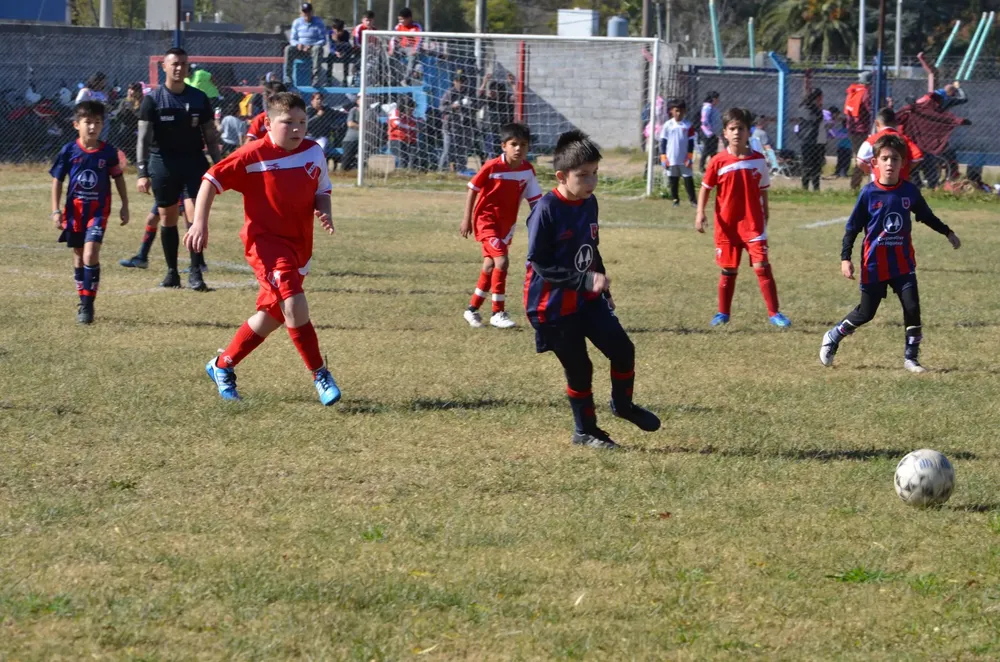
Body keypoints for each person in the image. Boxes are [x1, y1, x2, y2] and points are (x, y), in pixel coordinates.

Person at [185, 92, 341, 406]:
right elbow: (210, 179)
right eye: (288, 123)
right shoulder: (252, 155)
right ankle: (320, 373)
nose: (297, 129)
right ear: (268, 123)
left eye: (302, 122)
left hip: (299, 245)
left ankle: (222, 365)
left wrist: (325, 209)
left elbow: (322, 190)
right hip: (266, 244)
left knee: (272, 315)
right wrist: (199, 222)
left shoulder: (313, 152)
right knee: (295, 304)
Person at [524, 130, 660, 450]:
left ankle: (623, 406)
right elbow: (539, 263)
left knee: (623, 350)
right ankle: (585, 431)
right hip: (552, 307)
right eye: (582, 175)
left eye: (595, 173)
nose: (591, 182)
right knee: (580, 368)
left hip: (587, 299)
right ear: (561, 176)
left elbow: (590, 246)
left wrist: (599, 278)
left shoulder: (589, 202)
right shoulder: (546, 209)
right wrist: (585, 281)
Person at [819, 133, 961, 373]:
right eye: (884, 158)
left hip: (902, 263)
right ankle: (834, 335)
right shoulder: (868, 194)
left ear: (902, 163)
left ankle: (911, 359)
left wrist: (947, 232)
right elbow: (852, 228)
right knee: (866, 312)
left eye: (894, 158)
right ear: (875, 163)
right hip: (874, 263)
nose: (889, 163)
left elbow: (926, 216)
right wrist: (845, 258)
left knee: (912, 307)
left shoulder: (909, 192)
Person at [136, 47, 222, 291]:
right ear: (164, 66)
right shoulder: (152, 99)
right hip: (162, 163)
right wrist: (142, 172)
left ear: (187, 68)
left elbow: (210, 135)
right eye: (174, 64)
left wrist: (218, 164)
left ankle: (196, 272)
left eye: (183, 64)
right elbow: (143, 138)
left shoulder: (198, 98)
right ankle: (172, 272)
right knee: (167, 217)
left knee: (196, 218)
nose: (178, 68)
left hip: (194, 162)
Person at [696, 107, 789, 329]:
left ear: (749, 132)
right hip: (726, 226)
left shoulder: (758, 160)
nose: (737, 132)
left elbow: (763, 189)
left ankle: (774, 313)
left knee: (761, 266)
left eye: (741, 128)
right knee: (729, 270)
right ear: (725, 133)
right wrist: (700, 213)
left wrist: (766, 211)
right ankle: (723, 313)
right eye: (732, 128)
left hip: (753, 223)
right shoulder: (718, 161)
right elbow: (705, 188)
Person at [50, 101, 129, 324]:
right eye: (88, 123)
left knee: (90, 254)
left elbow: (118, 177)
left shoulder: (108, 152)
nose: (92, 127)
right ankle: (82, 297)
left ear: (103, 125)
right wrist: (55, 211)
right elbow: (57, 180)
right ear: (76, 124)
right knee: (78, 255)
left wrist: (125, 205)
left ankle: (87, 306)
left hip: (98, 213)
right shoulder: (69, 150)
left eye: (97, 123)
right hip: (74, 213)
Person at [460, 122, 541, 330]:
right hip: (486, 221)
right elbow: (472, 189)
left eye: (523, 145)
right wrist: (467, 218)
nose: (518, 149)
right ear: (503, 146)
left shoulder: (527, 170)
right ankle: (498, 312)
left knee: (490, 266)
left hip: (506, 225)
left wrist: (546, 223)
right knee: (502, 261)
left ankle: (472, 309)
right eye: (513, 144)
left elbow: (535, 202)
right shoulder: (492, 166)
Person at [856, 107, 923, 183]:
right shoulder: (904, 139)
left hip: (879, 183)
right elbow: (917, 157)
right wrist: (905, 169)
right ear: (895, 123)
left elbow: (860, 161)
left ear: (877, 123)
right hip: (901, 183)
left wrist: (870, 170)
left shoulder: (872, 140)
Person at [658, 99, 697, 207]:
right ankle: (675, 200)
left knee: (688, 179)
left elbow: (691, 142)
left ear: (685, 111)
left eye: (681, 111)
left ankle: (693, 201)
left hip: (684, 158)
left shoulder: (688, 125)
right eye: (676, 110)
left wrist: (689, 157)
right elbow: (664, 141)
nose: (679, 113)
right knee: (673, 180)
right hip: (671, 158)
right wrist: (663, 157)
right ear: (672, 111)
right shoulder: (667, 125)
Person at [439, 73, 476, 173]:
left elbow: (476, 106)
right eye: (458, 82)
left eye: (463, 82)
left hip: (464, 126)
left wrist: (470, 106)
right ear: (454, 82)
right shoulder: (449, 93)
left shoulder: (469, 93)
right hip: (449, 127)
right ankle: (442, 171)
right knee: (448, 150)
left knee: (462, 150)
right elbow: (441, 108)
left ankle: (461, 170)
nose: (461, 84)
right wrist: (452, 107)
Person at [285, 2, 327, 87]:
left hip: (313, 49)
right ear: (301, 13)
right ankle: (288, 78)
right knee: (288, 48)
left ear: (312, 12)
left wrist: (312, 45)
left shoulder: (319, 22)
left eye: (308, 11)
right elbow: (292, 39)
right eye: (304, 11)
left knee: (317, 48)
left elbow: (323, 40)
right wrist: (298, 44)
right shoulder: (297, 22)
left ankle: (316, 79)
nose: (306, 14)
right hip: (300, 48)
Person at [845, 71, 873, 189]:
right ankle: (855, 185)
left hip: (853, 129)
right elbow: (871, 109)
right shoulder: (866, 93)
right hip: (861, 130)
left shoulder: (853, 91)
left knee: (861, 157)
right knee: (863, 158)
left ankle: (856, 184)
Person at [112, 82, 143, 161]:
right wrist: (122, 111)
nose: (130, 91)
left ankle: (137, 159)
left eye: (133, 89)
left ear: (139, 92)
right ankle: (131, 159)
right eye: (129, 89)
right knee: (120, 138)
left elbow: (141, 116)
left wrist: (132, 110)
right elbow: (118, 115)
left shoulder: (143, 102)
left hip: (138, 127)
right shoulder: (124, 101)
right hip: (126, 127)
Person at [391, 7, 422, 85]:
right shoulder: (398, 26)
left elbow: (419, 39)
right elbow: (393, 39)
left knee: (412, 58)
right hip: (400, 48)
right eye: (399, 19)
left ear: (409, 18)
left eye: (402, 19)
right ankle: (390, 77)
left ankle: (405, 79)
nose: (400, 21)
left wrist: (415, 49)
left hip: (410, 48)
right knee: (389, 56)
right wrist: (391, 49)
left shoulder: (416, 26)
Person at [387, 96, 418, 170]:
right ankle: (402, 174)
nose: (412, 110)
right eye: (410, 108)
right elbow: (396, 123)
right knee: (403, 158)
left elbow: (416, 127)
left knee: (413, 158)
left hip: (410, 141)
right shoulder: (395, 113)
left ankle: (411, 173)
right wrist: (410, 127)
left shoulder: (411, 117)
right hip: (396, 140)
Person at [699, 91, 722, 172]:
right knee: (707, 150)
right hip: (708, 133)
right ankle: (702, 166)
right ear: (713, 99)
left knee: (713, 151)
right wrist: (710, 132)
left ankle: (714, 166)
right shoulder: (707, 107)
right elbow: (704, 120)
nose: (718, 100)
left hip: (713, 133)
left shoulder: (713, 107)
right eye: (717, 99)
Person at [327, 19, 355, 84]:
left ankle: (345, 77)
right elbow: (331, 47)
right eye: (337, 31)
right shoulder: (331, 33)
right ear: (333, 29)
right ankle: (329, 77)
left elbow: (347, 46)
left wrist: (337, 41)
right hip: (335, 52)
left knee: (346, 56)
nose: (339, 32)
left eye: (341, 30)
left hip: (344, 52)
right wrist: (335, 52)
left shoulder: (346, 34)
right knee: (329, 57)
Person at [340, 97, 360, 171]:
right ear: (357, 101)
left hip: (366, 139)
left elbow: (372, 124)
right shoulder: (353, 110)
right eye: (361, 98)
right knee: (345, 164)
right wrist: (363, 127)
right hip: (351, 139)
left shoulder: (369, 111)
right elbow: (350, 124)